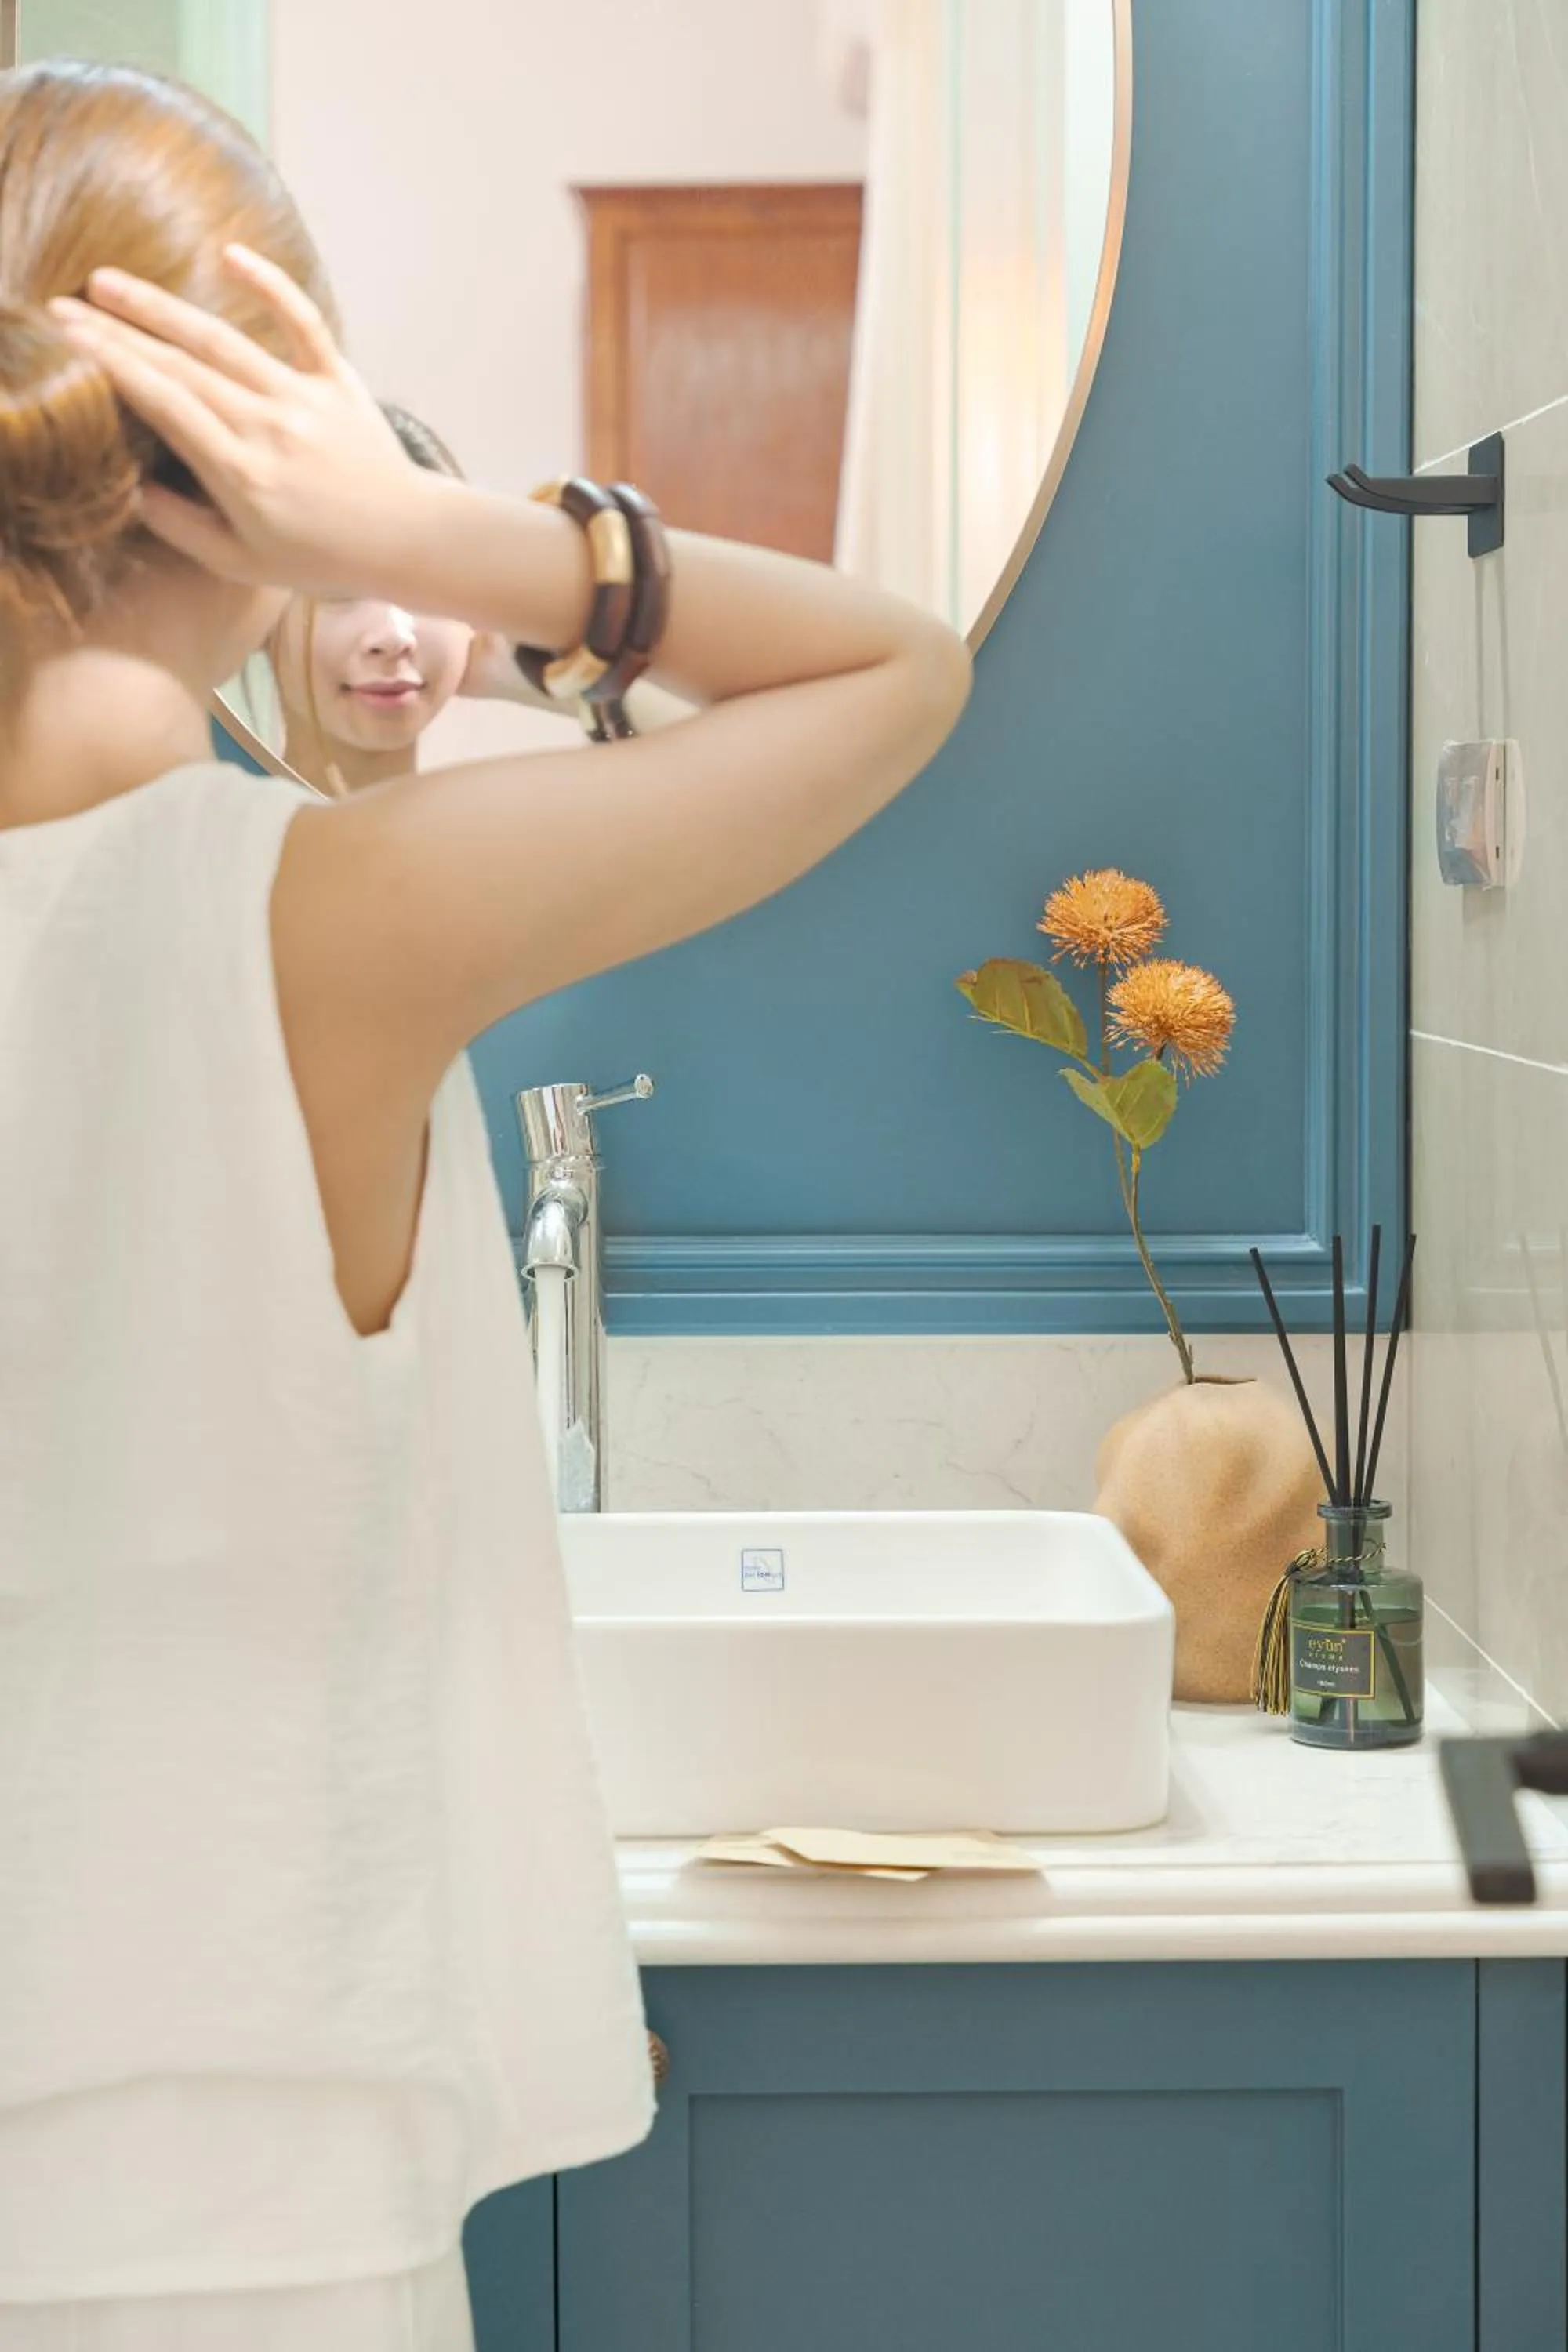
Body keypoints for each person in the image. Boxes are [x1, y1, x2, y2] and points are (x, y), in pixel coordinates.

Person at [0, 55, 970, 2352]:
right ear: (245, 445)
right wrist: (432, 535)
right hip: (244, 2213)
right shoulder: (331, 916)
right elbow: (899, 669)